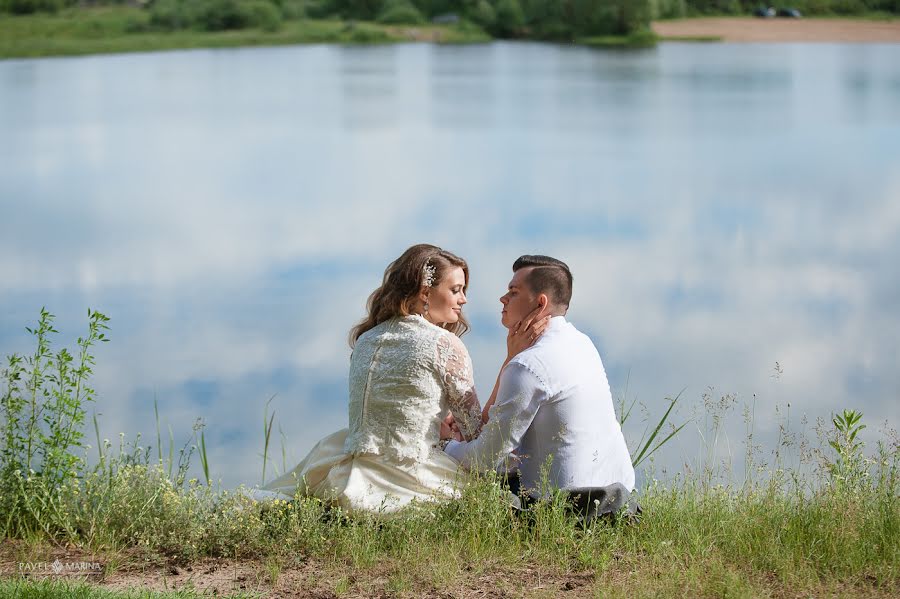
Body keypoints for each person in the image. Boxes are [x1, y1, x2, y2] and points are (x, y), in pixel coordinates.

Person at [262, 244, 547, 514]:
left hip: (351, 466)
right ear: (426, 292)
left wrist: (438, 427)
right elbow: (475, 432)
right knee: (504, 495)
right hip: (411, 474)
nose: (464, 299)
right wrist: (510, 360)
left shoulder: (366, 339)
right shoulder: (443, 343)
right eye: (456, 289)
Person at [444, 255, 636, 517]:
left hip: (566, 509)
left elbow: (485, 460)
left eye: (513, 292)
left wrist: (446, 447)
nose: (503, 299)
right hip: (620, 498)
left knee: (456, 482)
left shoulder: (528, 365)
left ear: (540, 302)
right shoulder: (582, 344)